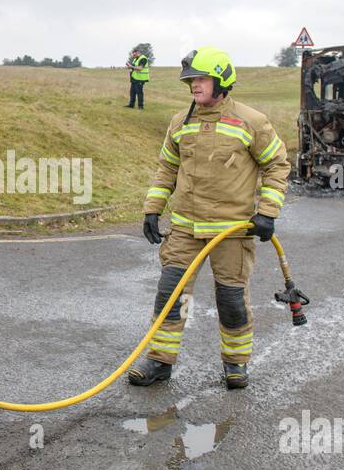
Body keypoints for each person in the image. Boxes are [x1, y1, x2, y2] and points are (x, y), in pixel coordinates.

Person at [124, 47, 290, 390]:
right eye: (190, 80)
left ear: (221, 81)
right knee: (172, 296)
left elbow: (277, 165)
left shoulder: (251, 122)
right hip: (185, 228)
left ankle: (235, 364)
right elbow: (167, 167)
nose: (193, 86)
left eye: (200, 79)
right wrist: (153, 209)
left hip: (231, 231)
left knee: (230, 300)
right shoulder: (180, 122)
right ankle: (160, 362)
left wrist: (267, 213)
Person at [125, 42, 151, 109]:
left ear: (137, 52)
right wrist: (129, 67)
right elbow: (134, 67)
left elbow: (140, 68)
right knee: (132, 92)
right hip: (134, 78)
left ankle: (140, 106)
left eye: (134, 53)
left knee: (139, 93)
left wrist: (131, 66)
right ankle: (131, 105)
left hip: (140, 79)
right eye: (132, 53)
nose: (133, 55)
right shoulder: (135, 59)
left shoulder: (143, 58)